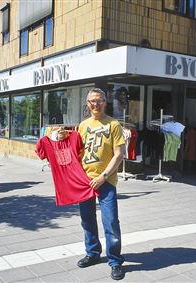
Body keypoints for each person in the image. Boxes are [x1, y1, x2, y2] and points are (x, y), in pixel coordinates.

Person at [77, 88, 126, 280]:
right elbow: (76, 152)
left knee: (111, 221)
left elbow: (119, 154)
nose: (95, 105)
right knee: (87, 219)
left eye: (99, 101)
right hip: (85, 181)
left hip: (106, 180)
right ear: (87, 104)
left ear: (105, 102)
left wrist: (103, 176)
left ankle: (115, 261)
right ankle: (93, 253)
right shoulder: (82, 125)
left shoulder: (113, 124)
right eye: (91, 101)